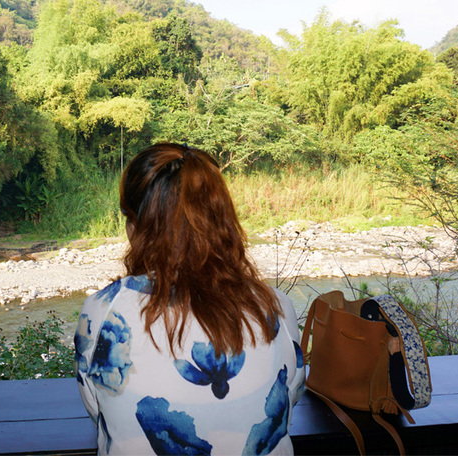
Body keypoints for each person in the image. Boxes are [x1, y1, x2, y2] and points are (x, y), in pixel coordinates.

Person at [75, 142, 305, 455]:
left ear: (135, 227)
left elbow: (99, 409)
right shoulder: (275, 309)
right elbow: (287, 399)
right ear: (222, 220)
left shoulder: (103, 313)